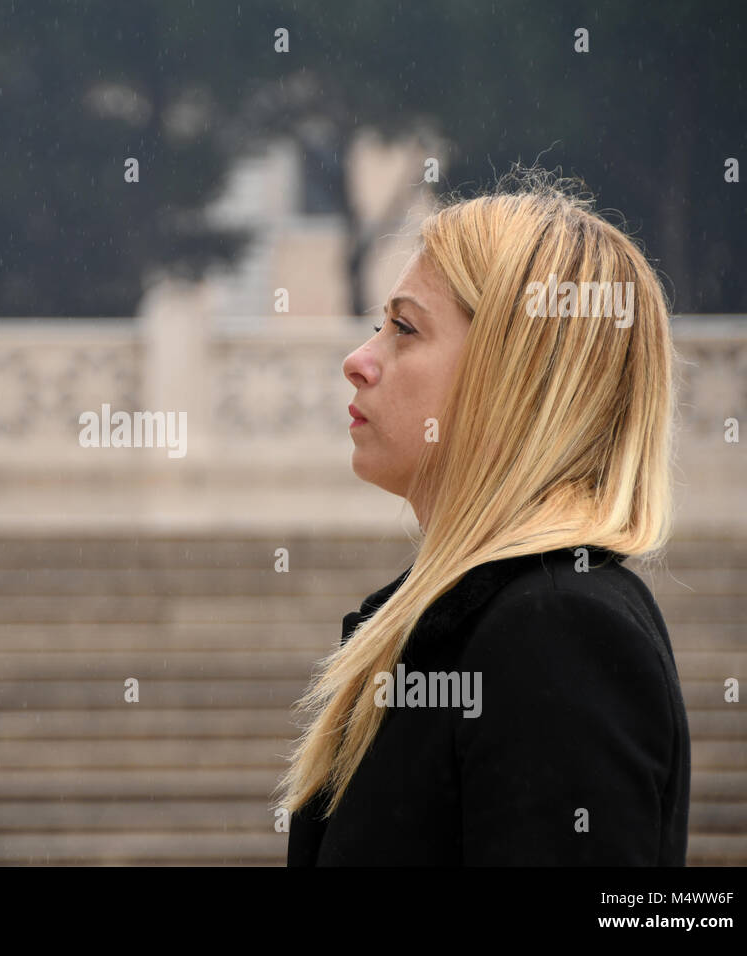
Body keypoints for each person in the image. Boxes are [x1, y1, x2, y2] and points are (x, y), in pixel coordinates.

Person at [280, 171, 691, 865]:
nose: (358, 361)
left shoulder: (558, 631)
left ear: (520, 373)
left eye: (404, 328)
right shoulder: (487, 618)